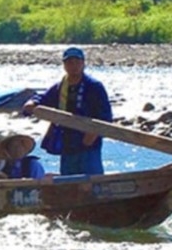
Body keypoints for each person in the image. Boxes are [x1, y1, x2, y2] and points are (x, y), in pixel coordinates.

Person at [21, 46, 110, 176]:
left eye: (77, 62)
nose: (73, 66)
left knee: (91, 180)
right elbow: (43, 98)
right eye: (69, 62)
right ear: (64, 65)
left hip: (89, 142)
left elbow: (105, 115)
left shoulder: (94, 87)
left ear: (83, 63)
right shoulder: (60, 87)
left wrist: (92, 134)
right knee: (68, 180)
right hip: (67, 141)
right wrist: (32, 104)